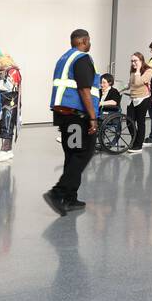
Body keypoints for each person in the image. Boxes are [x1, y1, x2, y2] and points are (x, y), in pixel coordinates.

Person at [44, 29, 100, 216]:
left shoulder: (64, 58)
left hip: (65, 115)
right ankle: (58, 192)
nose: (90, 43)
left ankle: (70, 197)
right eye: (89, 40)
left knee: (72, 154)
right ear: (84, 41)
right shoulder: (82, 58)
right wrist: (92, 117)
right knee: (84, 152)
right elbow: (84, 89)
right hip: (77, 115)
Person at [0, 51, 22, 161]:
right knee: (3, 125)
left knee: (7, 126)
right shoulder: (2, 71)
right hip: (1, 102)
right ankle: (7, 150)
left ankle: (5, 150)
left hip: (9, 103)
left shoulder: (13, 71)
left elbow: (8, 86)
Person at [125, 53, 152, 153]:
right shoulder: (132, 71)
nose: (133, 63)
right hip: (133, 98)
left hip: (143, 98)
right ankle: (135, 140)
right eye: (132, 61)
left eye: (135, 60)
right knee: (129, 121)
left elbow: (138, 83)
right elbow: (131, 84)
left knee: (140, 122)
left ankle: (139, 145)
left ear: (141, 61)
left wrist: (137, 71)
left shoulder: (148, 71)